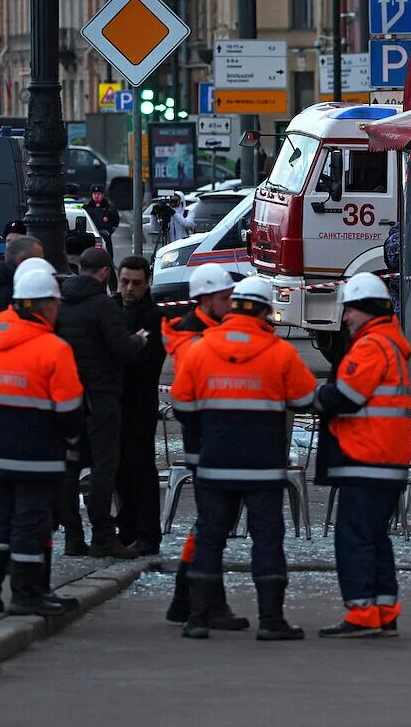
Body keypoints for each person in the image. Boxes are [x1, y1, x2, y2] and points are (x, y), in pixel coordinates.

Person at [171, 276, 316, 641]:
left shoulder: (201, 348)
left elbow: (182, 405)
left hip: (215, 460)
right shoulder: (280, 352)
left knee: (209, 537)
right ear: (267, 311)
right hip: (263, 464)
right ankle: (271, 620)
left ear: (234, 306)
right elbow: (302, 400)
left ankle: (198, 618)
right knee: (267, 538)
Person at [0, 269, 85, 616]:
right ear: (44, 305)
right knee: (31, 521)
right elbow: (69, 409)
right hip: (41, 451)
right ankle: (27, 592)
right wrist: (70, 439)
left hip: (2, 450)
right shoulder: (54, 348)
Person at [314, 273, 411, 639]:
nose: (345, 318)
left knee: (353, 536)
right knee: (375, 537)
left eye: (350, 310)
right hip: (386, 458)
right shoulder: (390, 343)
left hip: (367, 457)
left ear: (367, 309)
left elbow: (346, 397)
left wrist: (315, 397)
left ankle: (362, 612)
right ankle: (384, 609)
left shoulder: (372, 346)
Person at [162, 262, 246, 630]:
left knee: (212, 524)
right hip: (208, 443)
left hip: (211, 441)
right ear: (206, 299)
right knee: (214, 525)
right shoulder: (197, 340)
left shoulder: (205, 331)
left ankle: (188, 600)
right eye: (225, 298)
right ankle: (202, 602)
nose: (230, 304)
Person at [55, 248, 148, 558]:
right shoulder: (102, 305)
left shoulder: (62, 304)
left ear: (80, 269)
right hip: (101, 398)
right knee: (103, 468)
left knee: (69, 469)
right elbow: (122, 347)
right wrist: (140, 339)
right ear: (106, 273)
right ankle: (104, 537)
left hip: (68, 399)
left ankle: (72, 536)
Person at [114, 256, 166, 555]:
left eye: (136, 283)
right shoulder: (112, 308)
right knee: (119, 471)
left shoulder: (153, 317)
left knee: (141, 471)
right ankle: (128, 529)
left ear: (147, 284)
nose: (129, 289)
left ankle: (148, 534)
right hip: (114, 402)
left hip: (139, 403)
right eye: (125, 282)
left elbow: (145, 362)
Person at [84, 185, 120, 258]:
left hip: (105, 235)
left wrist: (109, 232)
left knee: (107, 255)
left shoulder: (109, 207)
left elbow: (115, 221)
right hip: (91, 235)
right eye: (95, 194)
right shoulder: (87, 207)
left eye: (99, 194)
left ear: (103, 195)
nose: (96, 196)